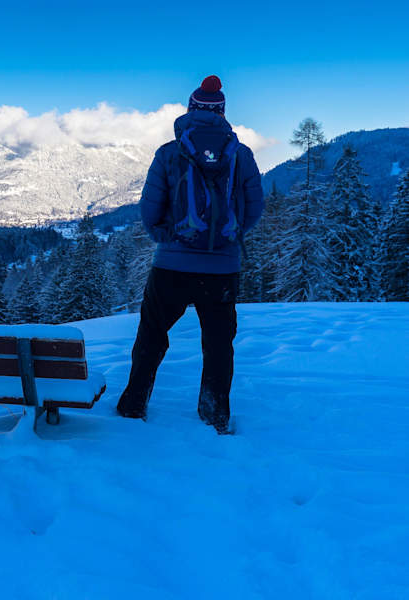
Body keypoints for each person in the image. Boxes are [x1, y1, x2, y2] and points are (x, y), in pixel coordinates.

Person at [116, 75, 264, 434]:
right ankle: (214, 415)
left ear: (190, 110)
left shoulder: (169, 153)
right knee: (218, 345)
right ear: (222, 112)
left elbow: (150, 212)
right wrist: (229, 238)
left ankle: (134, 405)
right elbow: (255, 208)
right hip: (222, 269)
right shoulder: (240, 155)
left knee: (152, 334)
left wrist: (169, 238)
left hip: (171, 266)